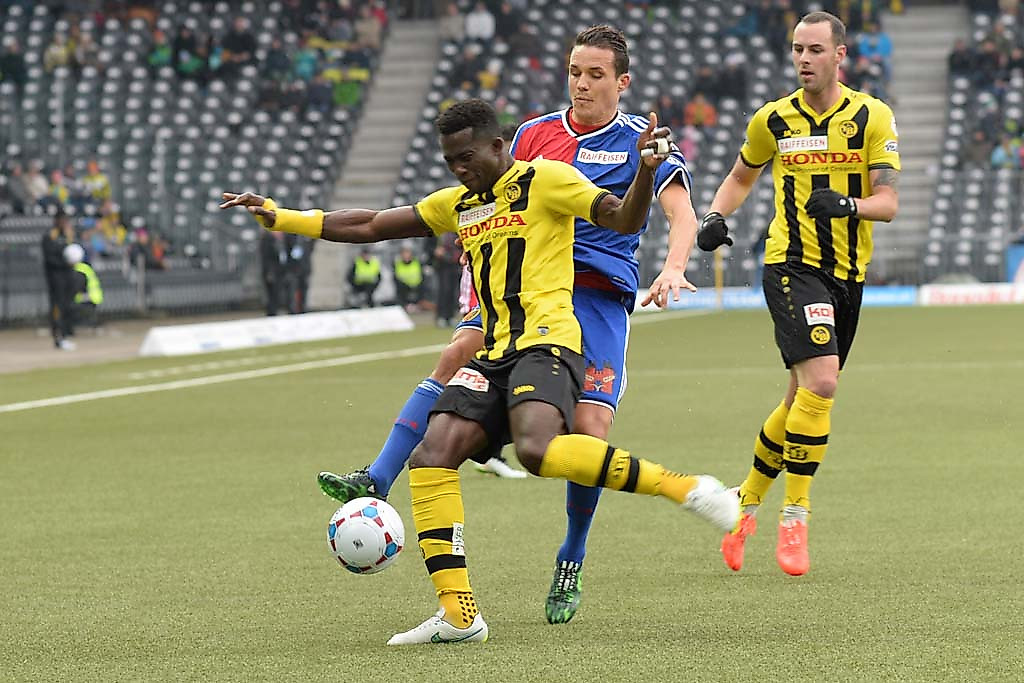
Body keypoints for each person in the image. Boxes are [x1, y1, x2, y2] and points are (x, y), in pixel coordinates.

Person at [221, 98, 738, 645]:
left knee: (537, 451)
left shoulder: (546, 180)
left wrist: (646, 172)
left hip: (549, 344)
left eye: (466, 157)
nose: (459, 169)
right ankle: (460, 615)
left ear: (497, 146)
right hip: (494, 352)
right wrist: (282, 216)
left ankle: (688, 489)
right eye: (450, 161)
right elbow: (370, 224)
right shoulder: (458, 204)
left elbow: (622, 218)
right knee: (433, 454)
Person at [317, 24, 702, 625]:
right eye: (574, 71)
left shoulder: (641, 141)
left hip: (595, 294)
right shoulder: (533, 134)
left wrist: (674, 266)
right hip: (522, 285)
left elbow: (680, 213)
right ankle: (376, 477)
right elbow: (491, 203)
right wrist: (477, 279)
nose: (581, 83)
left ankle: (572, 552)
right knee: (457, 354)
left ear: (622, 82)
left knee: (589, 430)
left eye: (595, 74)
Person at [695, 11, 900, 577]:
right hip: (790, 265)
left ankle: (743, 505)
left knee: (799, 401)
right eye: (797, 49)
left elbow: (887, 203)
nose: (804, 59)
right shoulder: (774, 118)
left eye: (814, 49)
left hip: (848, 274)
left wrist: (848, 205)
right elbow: (741, 176)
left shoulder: (871, 117)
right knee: (824, 382)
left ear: (840, 55)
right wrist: (714, 215)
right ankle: (796, 513)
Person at [42, 214, 77, 350]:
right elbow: (49, 258)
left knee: (67, 304)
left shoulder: (68, 235)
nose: (65, 223)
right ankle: (58, 335)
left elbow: (74, 251)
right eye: (63, 220)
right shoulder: (50, 236)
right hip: (55, 277)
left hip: (68, 275)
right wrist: (64, 263)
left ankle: (66, 333)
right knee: (57, 306)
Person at [393, 244, 424, 311]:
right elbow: (396, 278)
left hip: (417, 286)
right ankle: (404, 305)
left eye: (407, 253)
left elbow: (422, 276)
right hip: (404, 287)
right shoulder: (398, 264)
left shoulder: (417, 263)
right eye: (404, 253)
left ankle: (419, 304)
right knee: (400, 288)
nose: (406, 255)